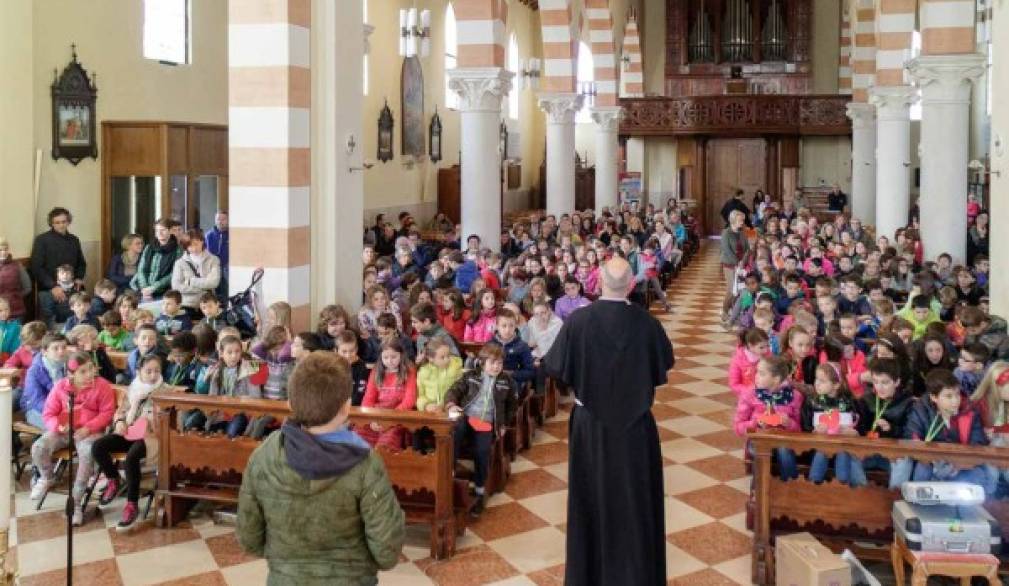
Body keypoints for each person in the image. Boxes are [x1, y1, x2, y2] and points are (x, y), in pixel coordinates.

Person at [543, 256, 674, 586]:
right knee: (636, 503)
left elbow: (556, 368)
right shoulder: (648, 324)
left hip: (592, 426)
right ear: (632, 284)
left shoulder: (578, 322)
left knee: (590, 500)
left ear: (598, 282)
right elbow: (660, 371)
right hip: (636, 428)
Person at [237, 352, 406, 584]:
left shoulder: (264, 455)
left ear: (291, 404)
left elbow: (249, 538)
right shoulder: (366, 464)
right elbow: (387, 551)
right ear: (347, 407)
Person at [31, 351, 116, 525]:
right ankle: (48, 477)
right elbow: (48, 414)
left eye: (91, 369)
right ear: (71, 374)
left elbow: (107, 413)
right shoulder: (60, 387)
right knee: (39, 447)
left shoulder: (102, 386)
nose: (89, 374)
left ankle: (76, 504)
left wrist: (88, 428)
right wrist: (58, 426)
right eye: (83, 372)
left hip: (89, 432)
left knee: (86, 457)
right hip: (64, 429)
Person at [92, 353, 164, 531]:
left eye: (156, 371)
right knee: (98, 446)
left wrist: (152, 422)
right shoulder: (133, 388)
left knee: (131, 458)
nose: (153, 375)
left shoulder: (165, 391)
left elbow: (170, 421)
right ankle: (113, 479)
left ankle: (132, 503)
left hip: (150, 437)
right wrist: (120, 422)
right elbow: (121, 412)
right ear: (139, 371)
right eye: (148, 371)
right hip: (129, 432)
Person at [31, 207, 87, 327]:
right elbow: (36, 267)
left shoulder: (74, 240)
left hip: (72, 287)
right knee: (54, 326)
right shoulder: (42, 240)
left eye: (64, 221)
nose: (61, 225)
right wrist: (53, 286)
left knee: (76, 320)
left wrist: (78, 278)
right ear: (51, 223)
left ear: (68, 222)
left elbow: (81, 263)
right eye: (57, 222)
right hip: (48, 289)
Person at [172, 228, 222, 317]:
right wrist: (201, 289)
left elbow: (214, 282)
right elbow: (176, 286)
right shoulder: (180, 262)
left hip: (208, 306)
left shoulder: (213, 259)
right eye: (189, 246)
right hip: (187, 305)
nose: (194, 248)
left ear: (202, 241)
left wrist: (191, 281)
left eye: (196, 244)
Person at [131, 218, 183, 300]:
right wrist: (145, 288)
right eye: (157, 230)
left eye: (163, 230)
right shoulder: (149, 247)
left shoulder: (178, 250)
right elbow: (141, 269)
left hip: (165, 291)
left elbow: (174, 273)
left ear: (170, 231)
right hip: (144, 290)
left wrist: (154, 287)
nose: (160, 233)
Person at [720, 210, 750, 321]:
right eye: (740, 220)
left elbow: (747, 249)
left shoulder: (743, 232)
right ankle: (724, 311)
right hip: (729, 264)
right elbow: (726, 250)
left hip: (741, 265)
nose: (742, 222)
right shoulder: (726, 233)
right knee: (731, 289)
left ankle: (734, 310)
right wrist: (737, 262)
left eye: (743, 220)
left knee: (740, 289)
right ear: (733, 220)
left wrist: (743, 261)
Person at [0, 237, 32, 321]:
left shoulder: (17, 265)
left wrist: (16, 296)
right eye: (0, 250)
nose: (3, 252)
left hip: (16, 310)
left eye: (6, 249)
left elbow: (27, 287)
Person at [204, 211, 229, 301]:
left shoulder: (232, 234)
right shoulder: (208, 235)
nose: (220, 221)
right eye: (218, 219)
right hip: (213, 268)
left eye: (223, 219)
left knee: (227, 290)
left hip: (227, 267)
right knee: (216, 293)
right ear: (215, 220)